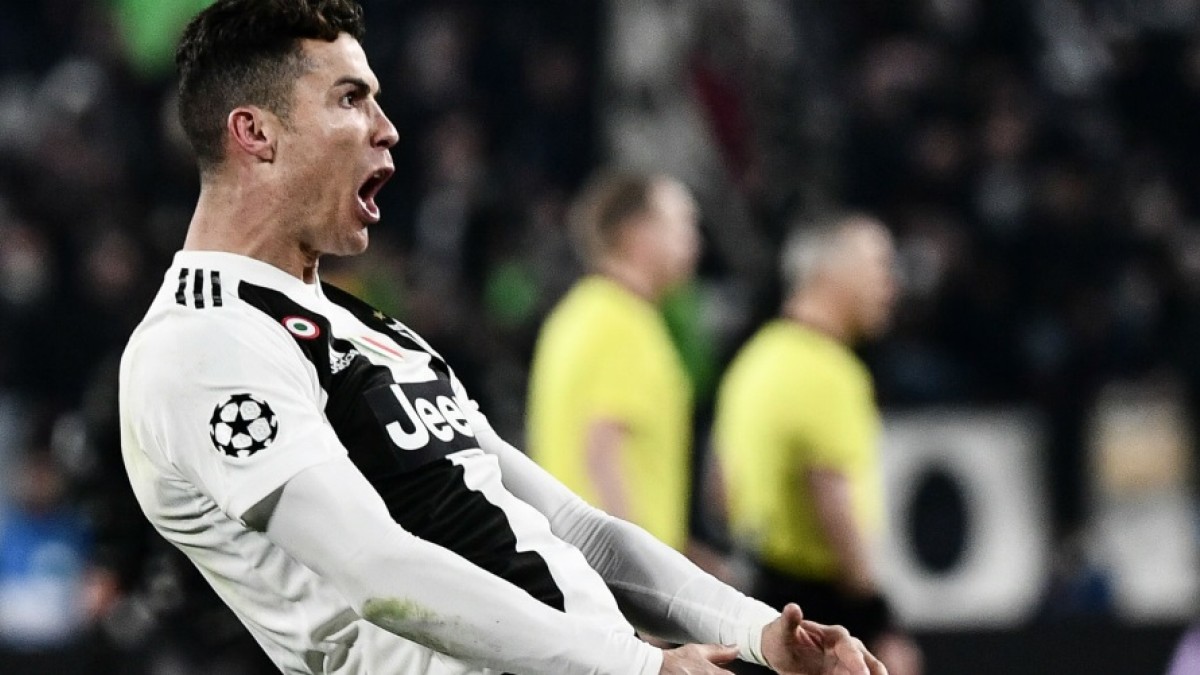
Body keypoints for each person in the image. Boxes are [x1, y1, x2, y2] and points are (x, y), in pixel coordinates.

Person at [118, 2, 886, 674]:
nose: (387, 129)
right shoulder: (202, 343)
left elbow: (578, 530)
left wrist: (758, 632)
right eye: (350, 99)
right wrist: (639, 664)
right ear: (255, 133)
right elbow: (377, 570)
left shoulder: (368, 329)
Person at [712, 214, 921, 675]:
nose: (891, 285)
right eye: (879, 266)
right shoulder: (828, 372)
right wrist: (879, 624)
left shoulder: (752, 361)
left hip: (760, 609)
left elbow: (721, 490)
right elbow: (834, 504)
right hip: (821, 620)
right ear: (831, 273)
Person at [526, 171, 714, 566]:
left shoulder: (577, 313)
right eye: (682, 223)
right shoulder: (622, 326)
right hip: (611, 578)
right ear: (636, 233)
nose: (695, 239)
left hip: (576, 562)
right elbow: (602, 455)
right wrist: (642, 577)